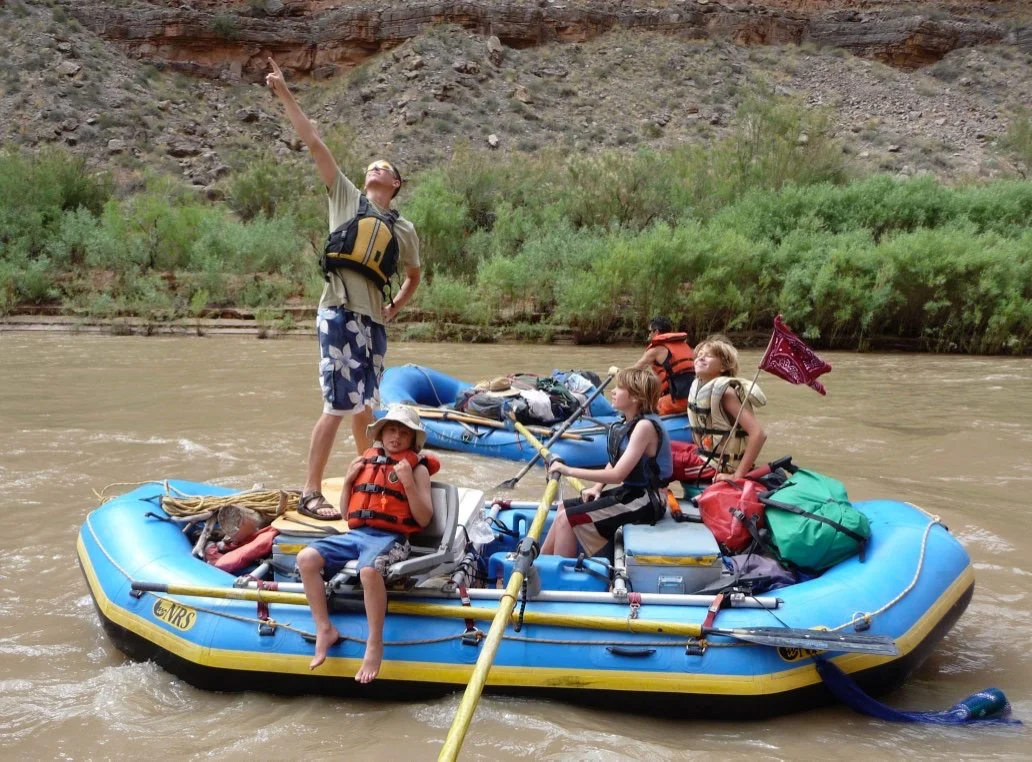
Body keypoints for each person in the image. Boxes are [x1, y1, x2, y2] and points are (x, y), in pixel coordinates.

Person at [266, 58, 422, 518]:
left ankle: (371, 477)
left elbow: (413, 275)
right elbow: (313, 141)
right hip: (338, 310)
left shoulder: (404, 229)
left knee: (366, 407)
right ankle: (310, 491)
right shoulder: (345, 196)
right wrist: (284, 92)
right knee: (337, 403)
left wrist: (394, 307)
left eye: (383, 167)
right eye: (370, 165)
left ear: (395, 183)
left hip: (374, 322)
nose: (374, 168)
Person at [295, 405, 437, 681]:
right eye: (391, 430)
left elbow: (423, 518)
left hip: (392, 538)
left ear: (412, 439)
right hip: (357, 535)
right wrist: (348, 482)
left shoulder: (417, 470)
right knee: (306, 558)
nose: (396, 437)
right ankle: (324, 628)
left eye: (404, 433)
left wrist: (408, 483)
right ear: (381, 434)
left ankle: (374, 644)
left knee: (369, 571)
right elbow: (347, 514)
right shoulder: (364, 461)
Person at [540, 367, 673, 558]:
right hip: (633, 493)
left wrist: (567, 470)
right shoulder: (628, 422)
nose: (613, 391)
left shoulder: (644, 427)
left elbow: (617, 475)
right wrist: (596, 487)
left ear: (636, 397)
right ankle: (540, 564)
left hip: (648, 501)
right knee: (563, 508)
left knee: (567, 519)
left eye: (620, 388)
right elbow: (617, 460)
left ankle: (559, 572)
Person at [687, 335, 767, 482]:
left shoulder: (726, 393)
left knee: (660, 457)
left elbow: (759, 434)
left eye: (708, 356)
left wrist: (737, 476)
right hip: (706, 455)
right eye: (699, 355)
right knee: (666, 446)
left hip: (719, 466)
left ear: (723, 367)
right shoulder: (699, 388)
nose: (701, 358)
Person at [633, 316, 695, 415]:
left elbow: (632, 372)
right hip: (693, 397)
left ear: (656, 332)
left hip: (676, 401)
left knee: (639, 408)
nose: (649, 334)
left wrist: (617, 372)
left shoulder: (655, 350)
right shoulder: (685, 345)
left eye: (649, 331)